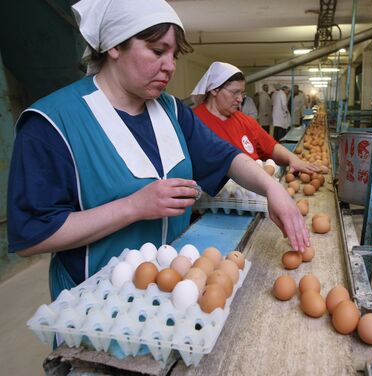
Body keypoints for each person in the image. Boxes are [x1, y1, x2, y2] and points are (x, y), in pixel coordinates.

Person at [7, 0, 309, 300]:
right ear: (114, 46)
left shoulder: (171, 110)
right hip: (97, 298)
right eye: (157, 51)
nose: (170, 67)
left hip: (168, 293)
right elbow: (32, 235)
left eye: (174, 55)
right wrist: (133, 207)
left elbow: (226, 156)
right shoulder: (53, 123)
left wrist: (273, 189)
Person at [191, 62, 319, 174]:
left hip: (252, 195)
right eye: (235, 92)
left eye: (242, 93)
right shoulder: (193, 122)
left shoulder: (244, 120)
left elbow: (271, 146)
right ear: (214, 90)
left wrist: (293, 159)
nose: (240, 99)